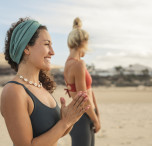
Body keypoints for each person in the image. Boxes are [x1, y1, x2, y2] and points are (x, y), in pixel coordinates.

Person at [0, 17, 91, 146]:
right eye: (47, 44)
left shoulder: (41, 87)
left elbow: (54, 135)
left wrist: (69, 120)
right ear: (26, 48)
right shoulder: (13, 91)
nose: (52, 52)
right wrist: (64, 122)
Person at [64, 17, 101, 146]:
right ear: (83, 43)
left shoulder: (68, 64)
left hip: (85, 115)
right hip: (84, 116)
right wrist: (95, 119)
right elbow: (83, 97)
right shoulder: (79, 64)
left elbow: (88, 90)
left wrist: (97, 114)